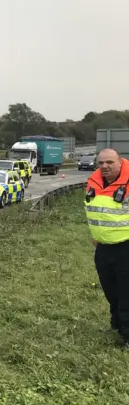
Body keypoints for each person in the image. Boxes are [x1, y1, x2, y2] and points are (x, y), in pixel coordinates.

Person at [84, 148, 129, 349]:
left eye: (110, 162)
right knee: (110, 290)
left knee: (126, 292)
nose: (105, 166)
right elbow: (95, 211)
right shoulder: (93, 182)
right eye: (101, 163)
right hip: (103, 247)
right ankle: (117, 324)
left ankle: (127, 336)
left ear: (119, 162)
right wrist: (96, 237)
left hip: (125, 247)